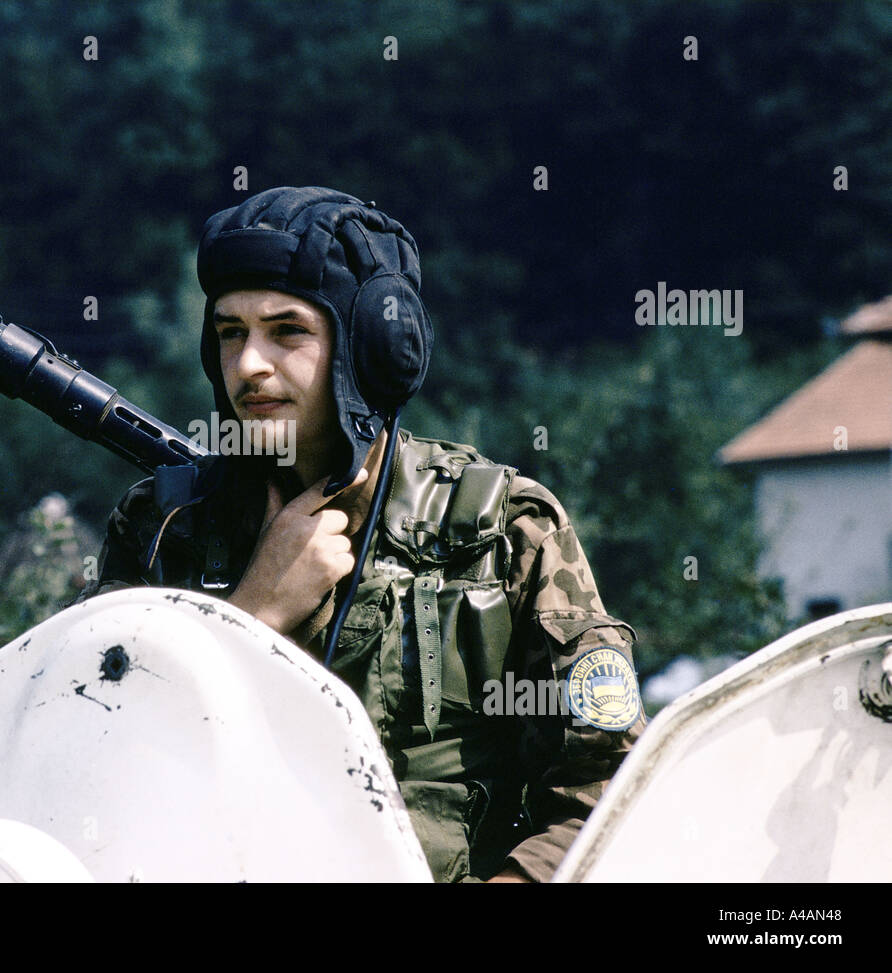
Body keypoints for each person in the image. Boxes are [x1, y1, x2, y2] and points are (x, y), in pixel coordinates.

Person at [78, 186, 645, 882]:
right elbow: (94, 761)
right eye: (230, 332)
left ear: (375, 350)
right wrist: (253, 613)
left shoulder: (500, 529)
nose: (250, 363)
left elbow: (609, 786)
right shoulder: (163, 528)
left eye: (287, 330)